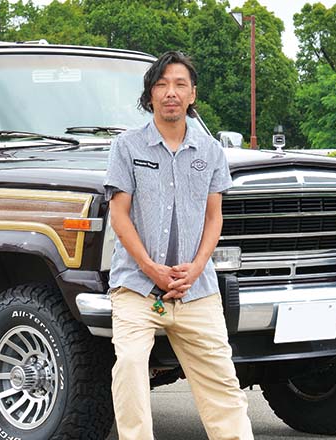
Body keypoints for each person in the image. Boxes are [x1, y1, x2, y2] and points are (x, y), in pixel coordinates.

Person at [103, 51, 254, 440]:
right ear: (150, 94)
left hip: (196, 291)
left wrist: (198, 266)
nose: (171, 92)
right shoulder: (127, 147)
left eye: (180, 84)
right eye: (162, 84)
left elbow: (214, 218)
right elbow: (119, 217)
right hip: (137, 289)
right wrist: (152, 268)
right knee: (131, 365)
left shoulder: (210, 151)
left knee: (223, 381)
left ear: (192, 95)